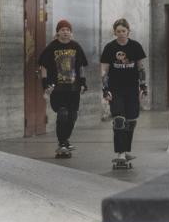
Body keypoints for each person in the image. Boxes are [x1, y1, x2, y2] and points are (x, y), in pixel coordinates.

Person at [36, 19, 89, 158]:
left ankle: (64, 141)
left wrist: (83, 83)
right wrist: (45, 84)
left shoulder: (76, 46)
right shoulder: (52, 47)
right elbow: (44, 67)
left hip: (73, 88)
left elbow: (81, 67)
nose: (65, 32)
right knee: (63, 113)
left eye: (67, 30)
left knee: (72, 116)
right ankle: (62, 143)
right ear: (58, 32)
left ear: (71, 33)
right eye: (62, 30)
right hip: (57, 89)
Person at [100, 18, 148, 170]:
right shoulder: (109, 48)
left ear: (128, 32)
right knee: (119, 120)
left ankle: (126, 150)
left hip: (132, 89)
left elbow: (141, 68)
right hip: (115, 89)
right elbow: (104, 71)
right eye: (118, 31)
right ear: (114, 32)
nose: (121, 34)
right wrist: (105, 89)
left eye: (123, 31)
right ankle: (120, 153)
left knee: (131, 122)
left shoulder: (135, 46)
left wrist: (143, 86)